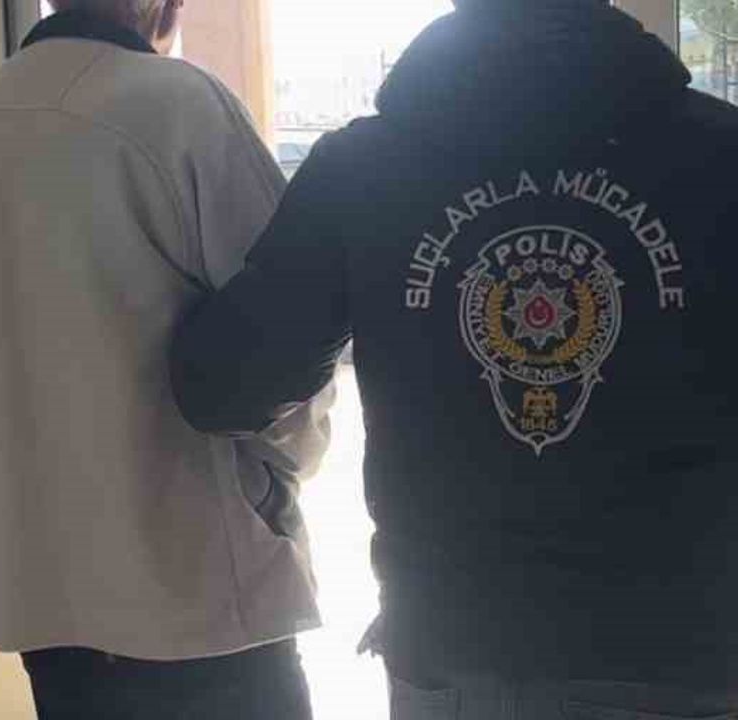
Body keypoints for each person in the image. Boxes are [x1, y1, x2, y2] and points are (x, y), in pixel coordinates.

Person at [171, 0, 738, 717]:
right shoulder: (722, 156)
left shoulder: (364, 168)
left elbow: (229, 387)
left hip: (459, 649)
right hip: (682, 648)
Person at [0, 1, 333, 718]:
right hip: (199, 587)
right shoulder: (181, 105)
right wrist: (279, 479)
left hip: (44, 588)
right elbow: (286, 341)